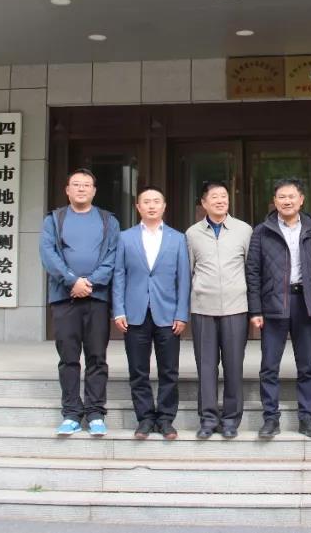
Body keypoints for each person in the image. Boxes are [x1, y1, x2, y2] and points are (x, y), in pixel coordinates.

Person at [39, 168, 120, 437]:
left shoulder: (108, 220)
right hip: (65, 299)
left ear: (94, 191)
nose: (81, 188)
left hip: (97, 298)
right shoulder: (54, 219)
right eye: (76, 184)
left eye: (86, 185)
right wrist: (72, 281)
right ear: (67, 190)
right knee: (68, 357)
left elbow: (112, 256)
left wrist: (90, 283)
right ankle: (71, 413)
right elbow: (48, 254)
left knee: (97, 357)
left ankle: (95, 412)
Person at [246, 178, 311, 439]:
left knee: (307, 365)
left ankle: (307, 418)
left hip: (304, 303)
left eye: (292, 196)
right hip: (272, 304)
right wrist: (255, 310)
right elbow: (253, 272)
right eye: (282, 197)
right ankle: (270, 418)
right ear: (274, 201)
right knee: (269, 366)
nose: (287, 201)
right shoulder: (262, 231)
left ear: (301, 199)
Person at [111, 185, 190, 440]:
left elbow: (184, 279)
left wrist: (182, 313)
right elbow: (119, 275)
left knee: (169, 371)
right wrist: (118, 310)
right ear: (138, 207)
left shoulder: (178, 239)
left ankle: (166, 419)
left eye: (157, 201)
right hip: (135, 313)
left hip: (168, 314)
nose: (152, 205)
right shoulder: (125, 238)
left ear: (164, 206)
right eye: (146, 201)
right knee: (138, 370)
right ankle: (144, 419)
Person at [186, 181, 253, 439]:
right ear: (203, 203)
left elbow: (251, 270)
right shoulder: (192, 234)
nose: (220, 200)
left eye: (223, 196)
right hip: (203, 307)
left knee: (234, 366)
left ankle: (231, 420)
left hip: (236, 308)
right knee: (206, 366)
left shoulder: (244, 230)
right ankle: (208, 419)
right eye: (214, 197)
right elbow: (188, 271)